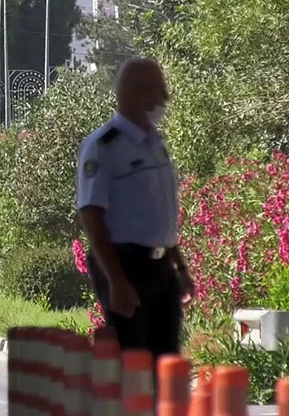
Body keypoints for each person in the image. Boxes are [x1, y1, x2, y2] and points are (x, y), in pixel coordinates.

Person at [75, 57, 196, 358]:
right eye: (159, 90)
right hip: (124, 265)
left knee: (166, 357)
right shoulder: (104, 147)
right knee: (134, 361)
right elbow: (91, 215)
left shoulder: (155, 144)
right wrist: (116, 280)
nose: (165, 99)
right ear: (135, 94)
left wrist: (180, 267)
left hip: (160, 266)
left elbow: (160, 217)